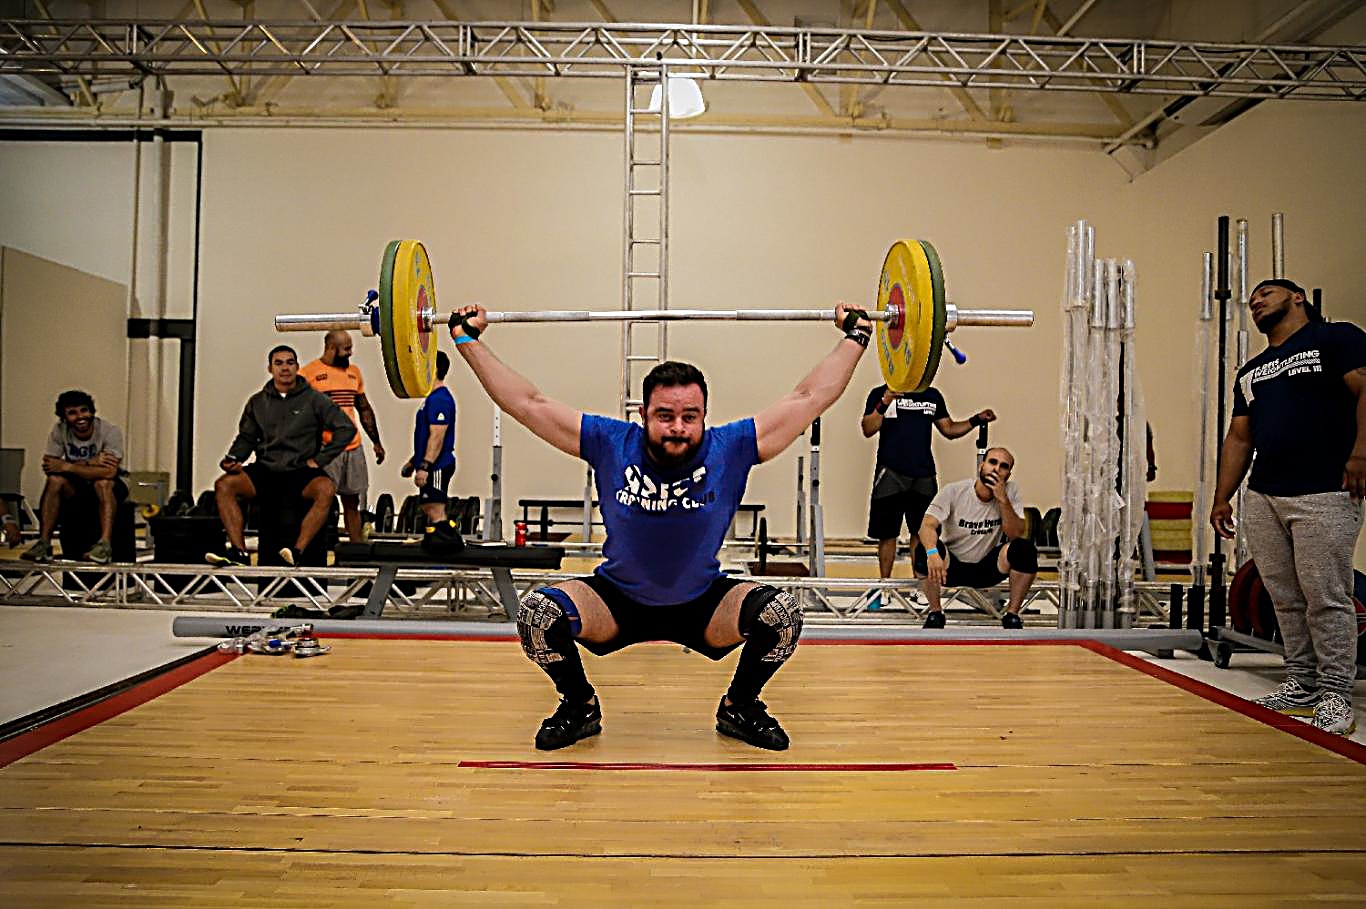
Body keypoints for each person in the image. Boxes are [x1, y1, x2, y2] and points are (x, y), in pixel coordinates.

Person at [450, 302, 876, 752]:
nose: (677, 428)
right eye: (665, 416)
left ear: (704, 415)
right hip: (616, 600)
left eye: (689, 416)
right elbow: (526, 403)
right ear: (643, 414)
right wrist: (466, 340)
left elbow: (808, 398)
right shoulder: (609, 442)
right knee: (537, 615)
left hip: (703, 603)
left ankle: (739, 706)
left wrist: (857, 337)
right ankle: (579, 705)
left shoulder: (731, 447)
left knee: (782, 615)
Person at [1211, 278, 1365, 736]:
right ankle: (1301, 683)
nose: (1256, 302)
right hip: (1264, 494)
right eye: (1252, 300)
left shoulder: (1335, 338)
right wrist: (1222, 496)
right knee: (1284, 597)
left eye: (1267, 293)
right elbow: (1239, 437)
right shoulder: (1251, 371)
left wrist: (1361, 454)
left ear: (1297, 297)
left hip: (1324, 489)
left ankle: (1336, 692)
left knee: (1326, 596)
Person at [206, 345, 356, 567]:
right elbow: (247, 437)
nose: (285, 368)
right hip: (266, 470)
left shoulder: (315, 400)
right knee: (224, 485)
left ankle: (297, 550)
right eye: (279, 363)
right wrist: (233, 458)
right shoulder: (258, 402)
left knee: (326, 490)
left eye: (289, 363)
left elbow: (346, 428)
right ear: (270, 368)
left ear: (297, 367)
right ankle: (239, 552)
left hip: (300, 470)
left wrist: (320, 460)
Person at [860, 383, 995, 608]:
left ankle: (920, 586)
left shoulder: (932, 396)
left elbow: (949, 429)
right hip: (890, 473)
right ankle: (885, 587)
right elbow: (868, 428)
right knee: (887, 534)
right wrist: (885, 402)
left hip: (923, 475)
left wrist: (976, 420)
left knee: (922, 532)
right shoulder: (880, 393)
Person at [914, 446, 1038, 629]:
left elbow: (1016, 534)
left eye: (1003, 466)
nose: (996, 469)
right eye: (992, 462)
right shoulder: (954, 491)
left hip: (988, 567)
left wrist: (1002, 499)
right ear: (981, 466)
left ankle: (1012, 615)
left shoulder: (1010, 491)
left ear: (1008, 475)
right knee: (923, 550)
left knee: (1024, 549)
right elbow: (926, 526)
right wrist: (932, 553)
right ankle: (935, 613)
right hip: (950, 567)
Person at [21, 390, 127, 564]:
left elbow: (109, 472)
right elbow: (51, 467)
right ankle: (44, 543)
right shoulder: (59, 431)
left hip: (110, 485)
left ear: (92, 411)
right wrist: (91, 463)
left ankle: (104, 545)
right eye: (72, 413)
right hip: (77, 484)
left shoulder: (109, 431)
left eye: (84, 410)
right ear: (64, 417)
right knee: (54, 481)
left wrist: (68, 466)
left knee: (103, 483)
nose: (80, 417)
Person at [302, 330, 385, 541]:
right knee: (323, 499)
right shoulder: (308, 374)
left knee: (352, 501)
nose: (350, 353)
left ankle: (355, 549)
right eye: (346, 349)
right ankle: (315, 546)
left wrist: (376, 442)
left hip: (353, 447)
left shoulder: (353, 373)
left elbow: (363, 408)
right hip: (326, 448)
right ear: (331, 348)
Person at [401, 351, 460, 541]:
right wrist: (413, 462)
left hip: (438, 464)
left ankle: (446, 546)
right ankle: (438, 543)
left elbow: (437, 437)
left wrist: (425, 467)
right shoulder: (431, 398)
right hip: (431, 463)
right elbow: (426, 436)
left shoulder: (439, 399)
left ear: (433, 369)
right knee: (429, 507)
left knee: (435, 509)